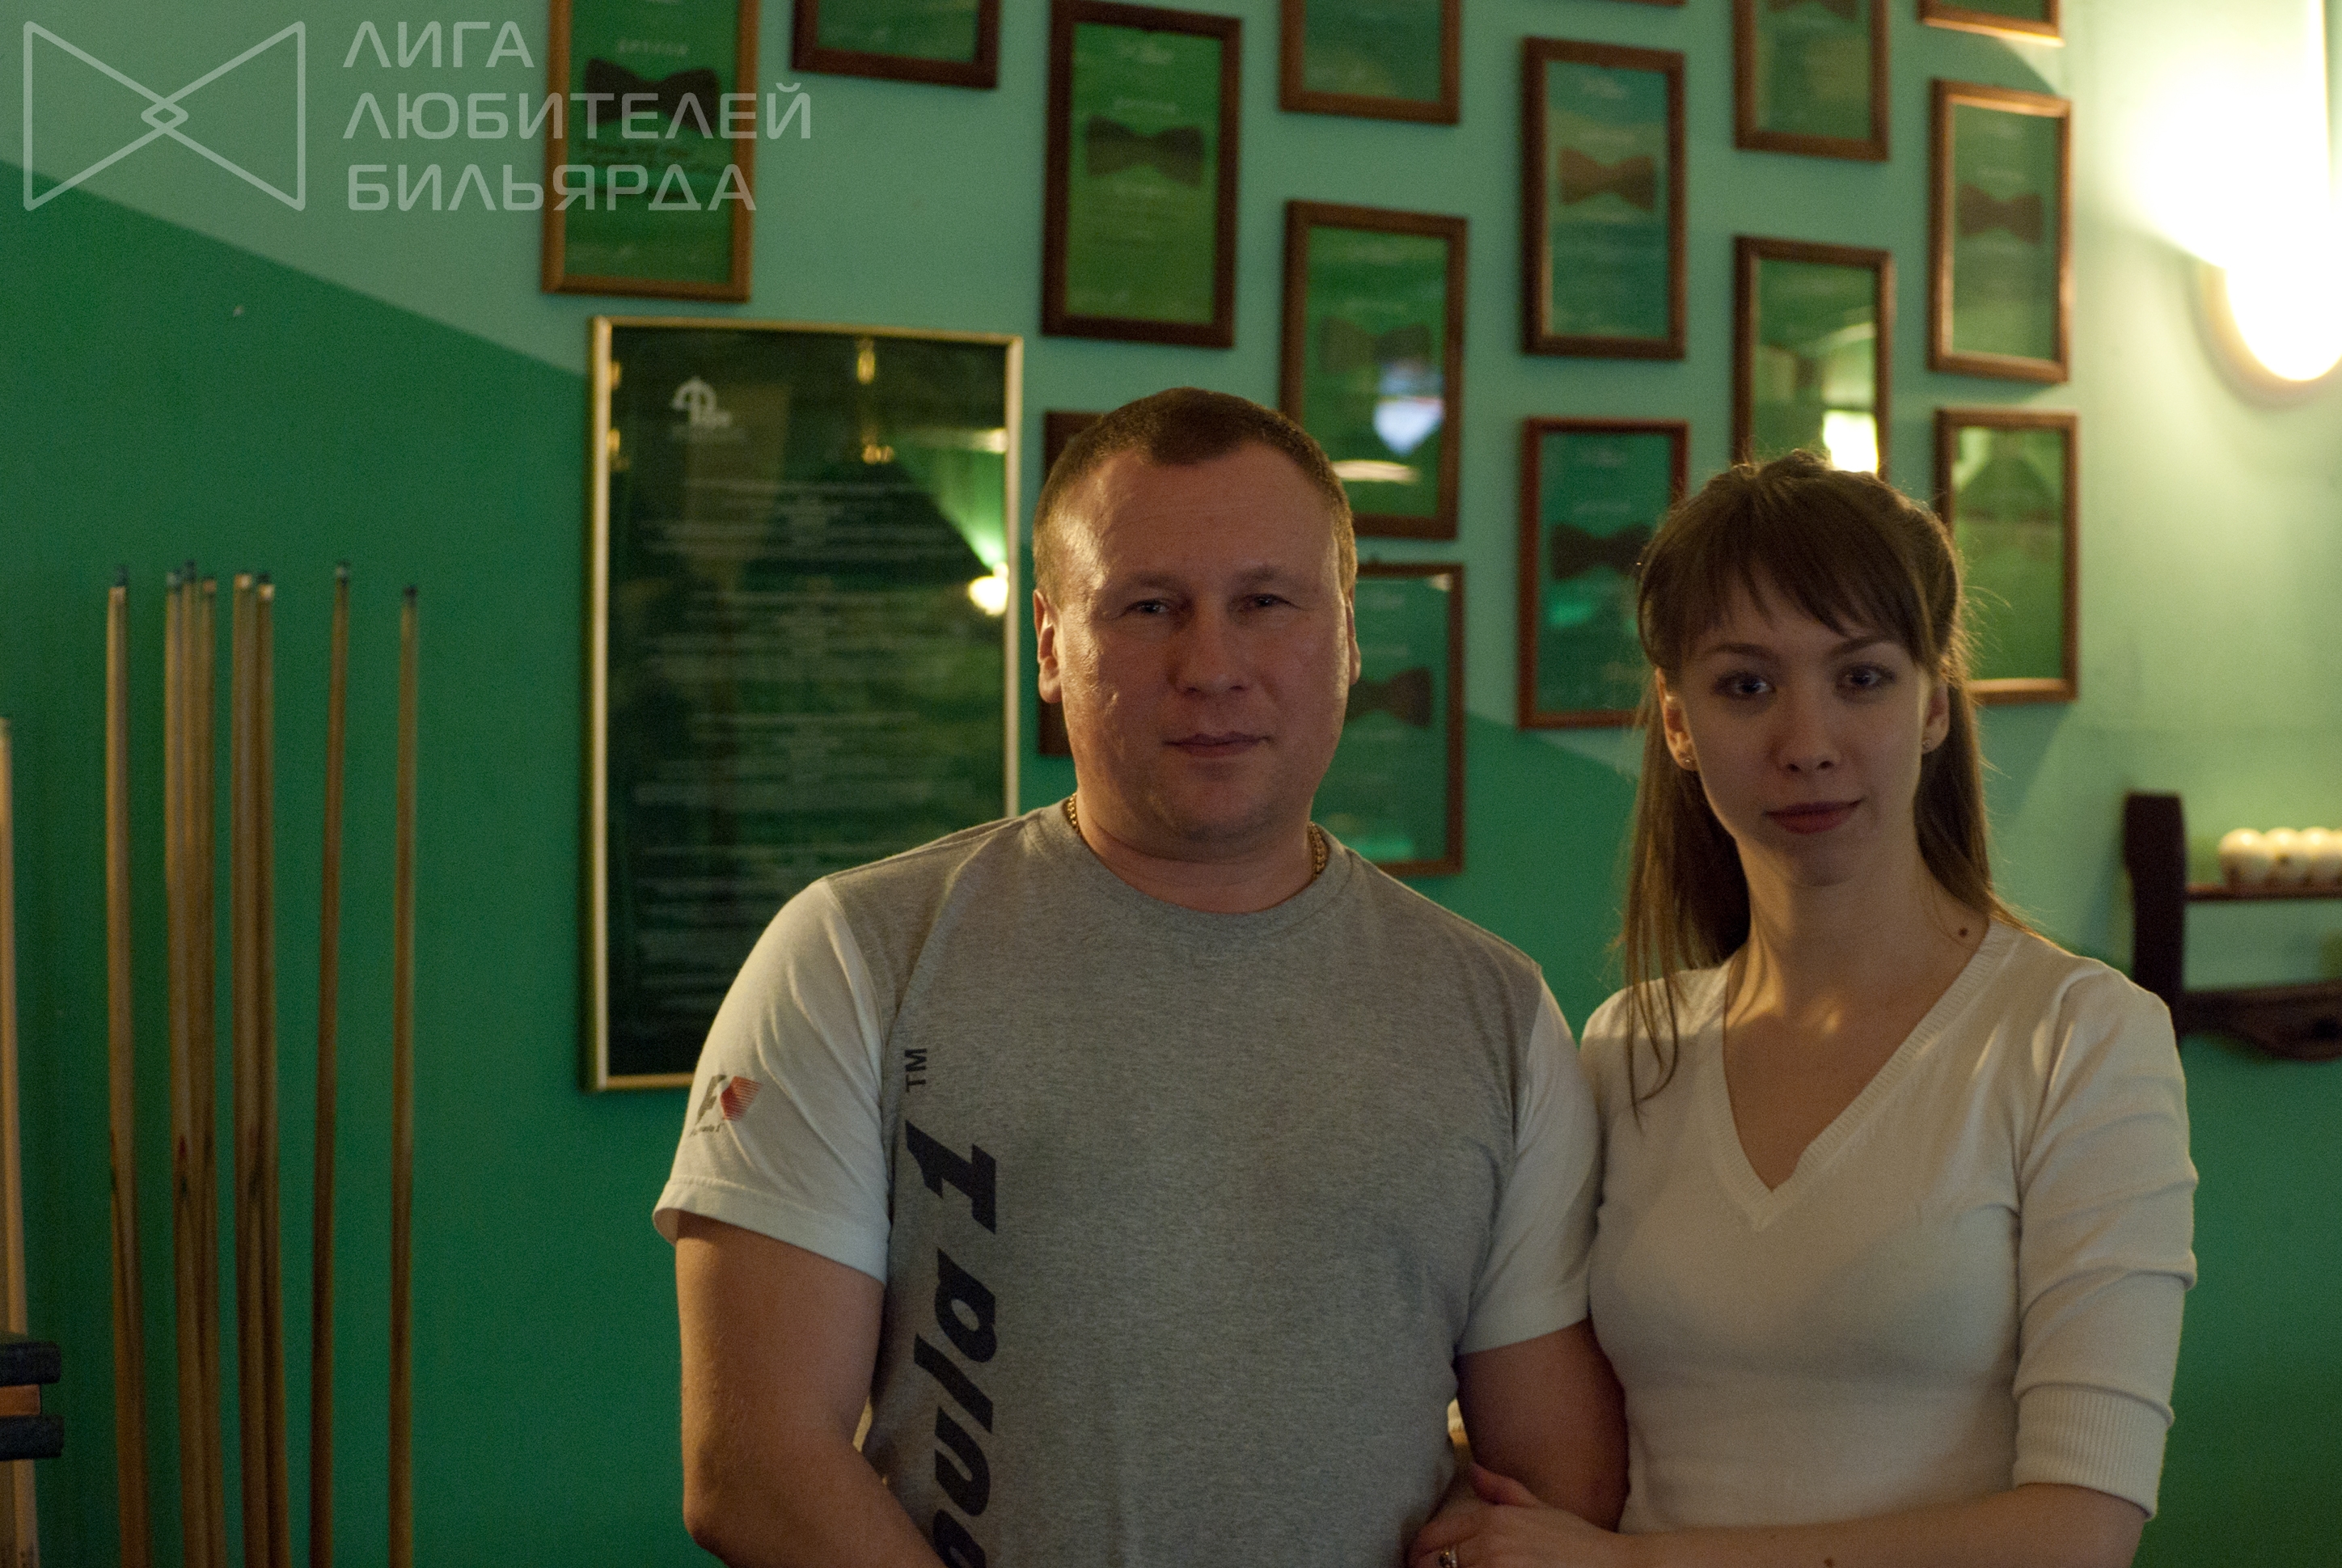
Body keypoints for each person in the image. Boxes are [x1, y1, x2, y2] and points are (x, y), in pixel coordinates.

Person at [657, 387, 1624, 1567]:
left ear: (1349, 635)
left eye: (1265, 602)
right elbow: (755, 1465)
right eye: (1149, 606)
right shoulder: (856, 956)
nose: (1211, 665)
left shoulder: (1497, 1011)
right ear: (1049, 644)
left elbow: (1557, 1481)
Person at [1412, 452, 2196, 1568]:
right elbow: (1571, 1421)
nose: (1808, 742)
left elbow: (2078, 1531)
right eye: (1746, 687)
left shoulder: (2079, 1036)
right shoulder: (1628, 1048)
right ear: (1678, 724)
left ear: (1934, 704)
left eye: (1861, 678)